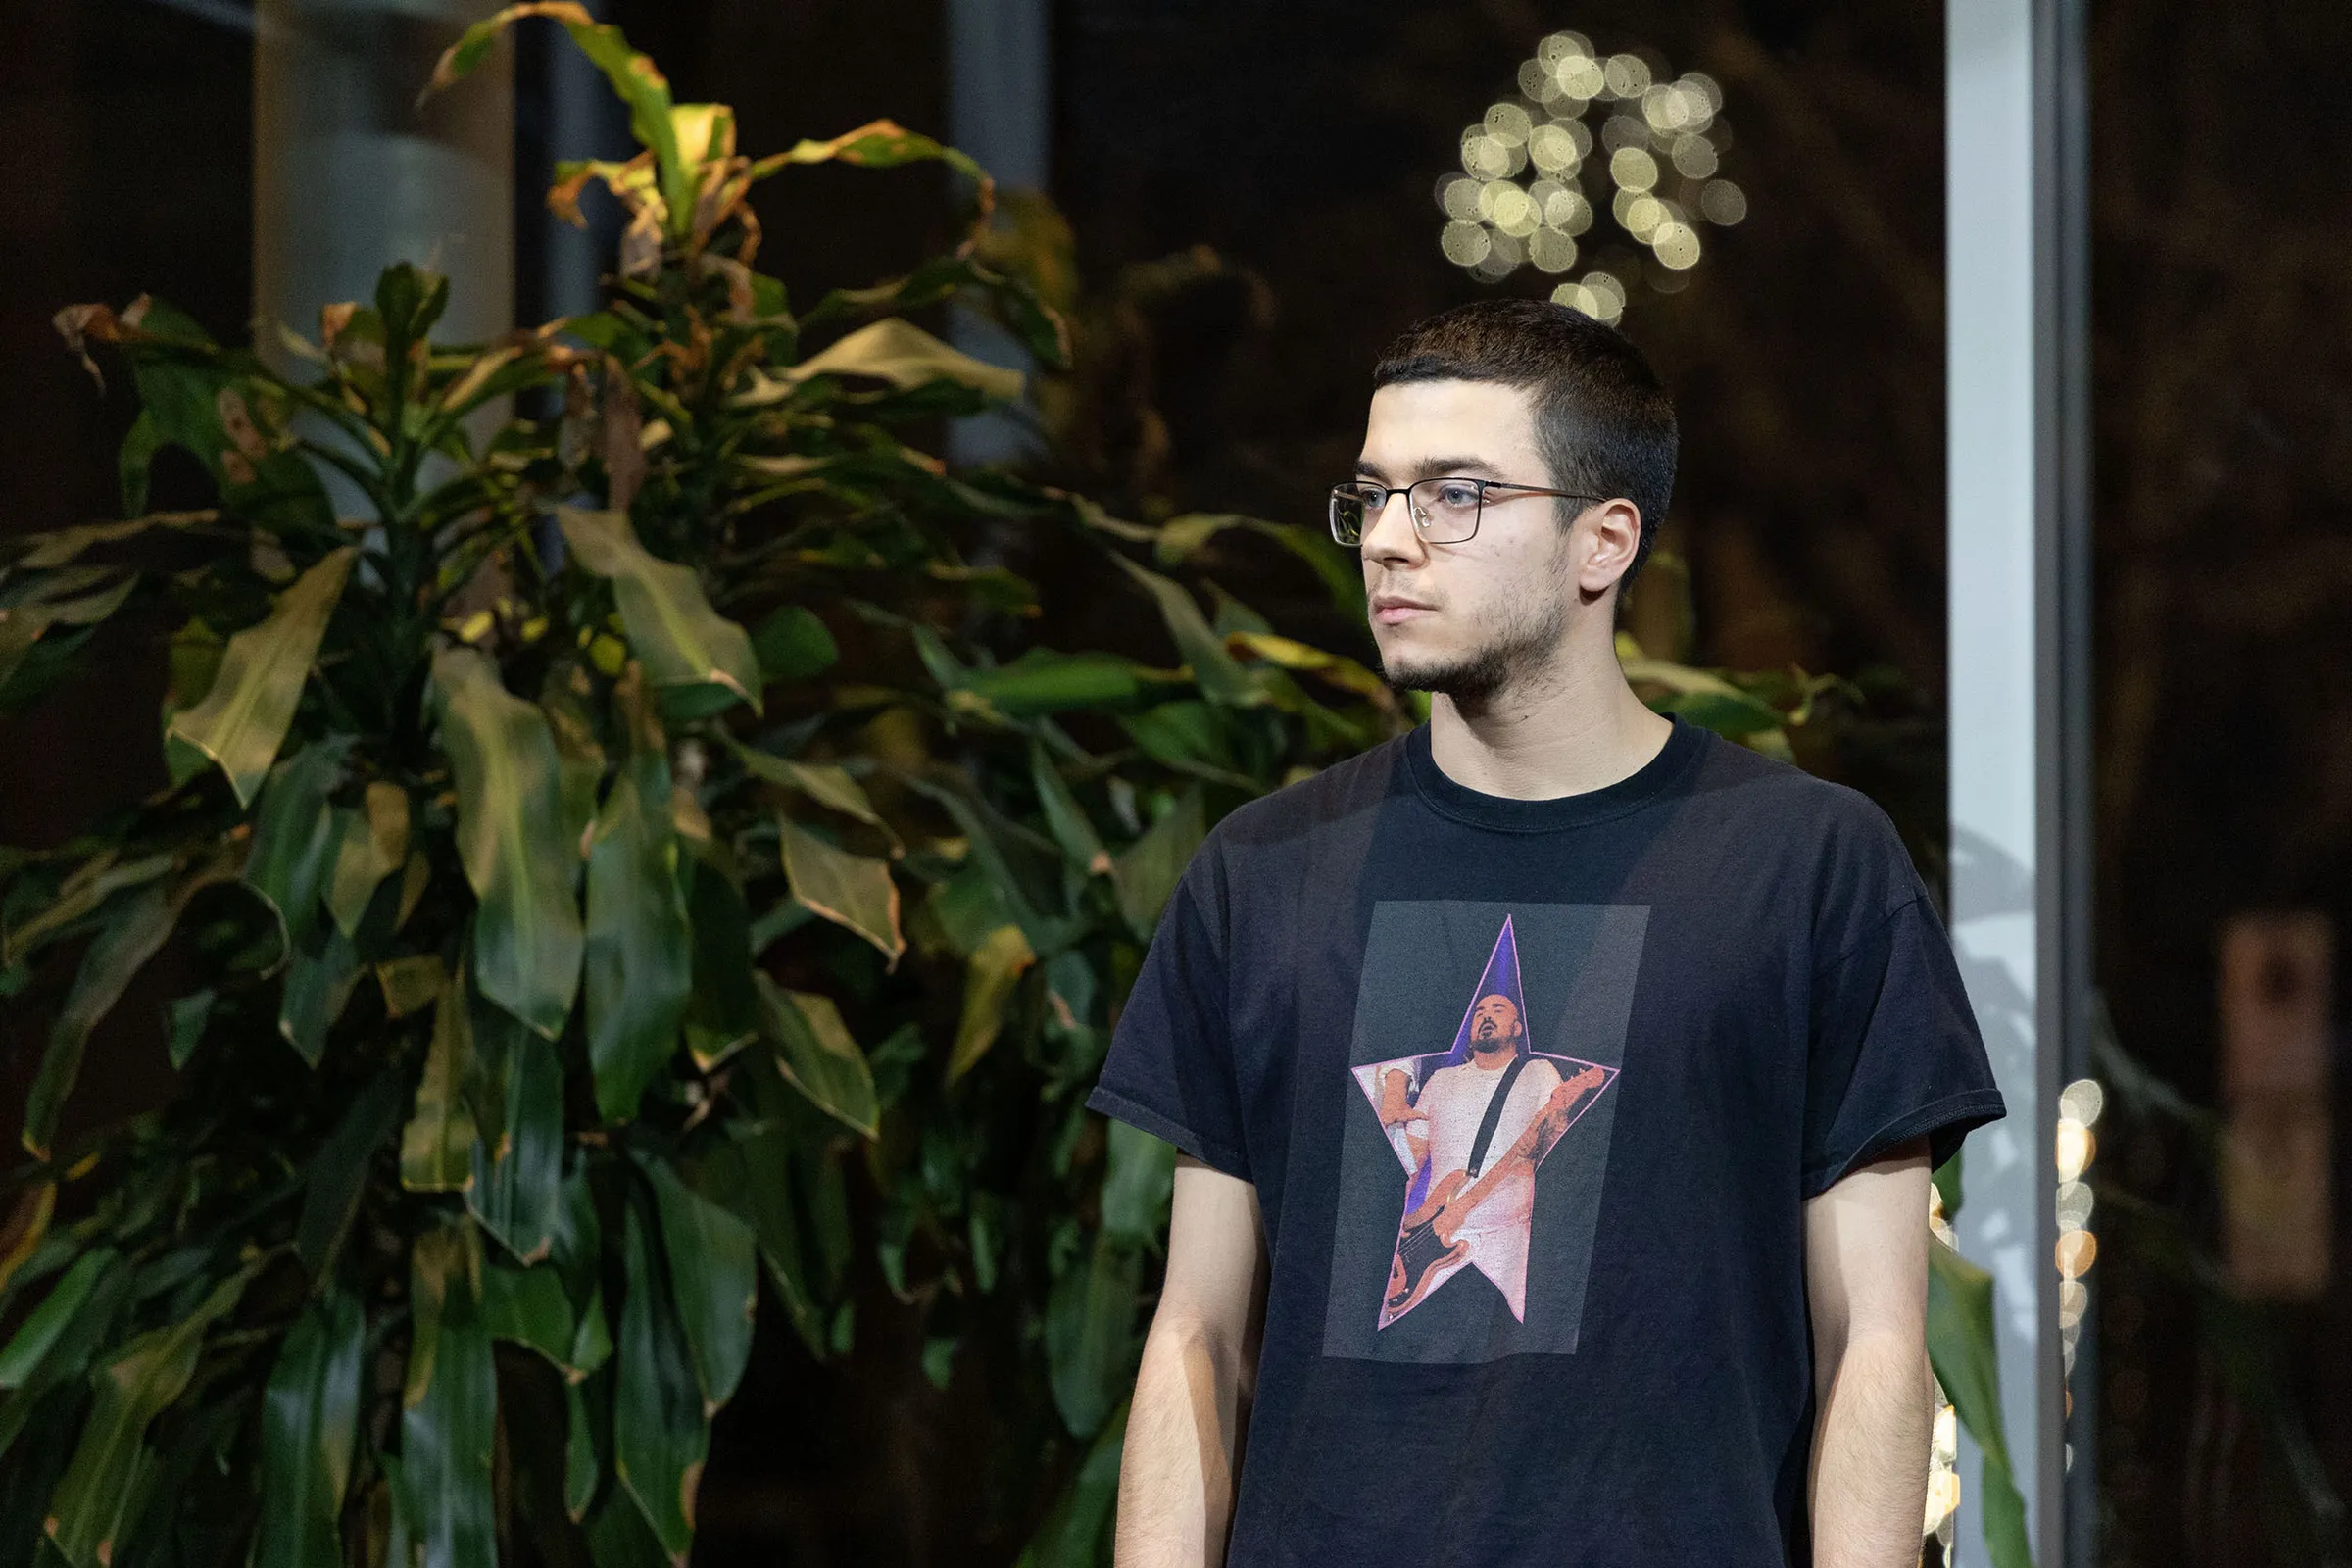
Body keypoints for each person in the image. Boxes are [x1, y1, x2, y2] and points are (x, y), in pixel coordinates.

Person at [1087, 297, 2007, 1566]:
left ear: (1603, 541)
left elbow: (1878, 1344)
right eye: (1376, 495)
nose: (1391, 539)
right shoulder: (1261, 873)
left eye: (1455, 495)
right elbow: (1196, 1336)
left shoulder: (1807, 866)